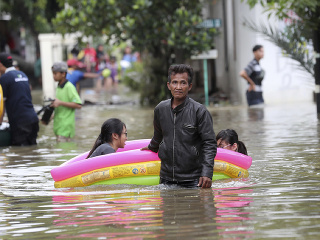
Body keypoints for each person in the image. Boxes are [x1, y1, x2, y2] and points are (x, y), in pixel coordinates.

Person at [141, 64, 217, 188]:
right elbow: (158, 135)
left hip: (193, 179)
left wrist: (207, 173)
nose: (178, 87)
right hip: (166, 177)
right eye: (174, 82)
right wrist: (151, 147)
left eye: (183, 83)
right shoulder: (160, 109)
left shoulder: (200, 111)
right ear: (168, 85)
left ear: (189, 86)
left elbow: (209, 143)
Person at [0, 52, 39, 146]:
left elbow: (2, 104)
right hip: (33, 119)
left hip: (20, 123)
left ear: (0, 64)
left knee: (21, 152)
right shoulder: (23, 74)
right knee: (32, 151)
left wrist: (0, 122)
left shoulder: (4, 78)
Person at [51, 62, 82, 142]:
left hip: (66, 128)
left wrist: (60, 102)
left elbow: (78, 104)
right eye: (53, 73)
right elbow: (60, 106)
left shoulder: (69, 87)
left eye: (55, 73)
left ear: (63, 74)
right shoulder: (58, 87)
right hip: (58, 126)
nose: (53, 76)